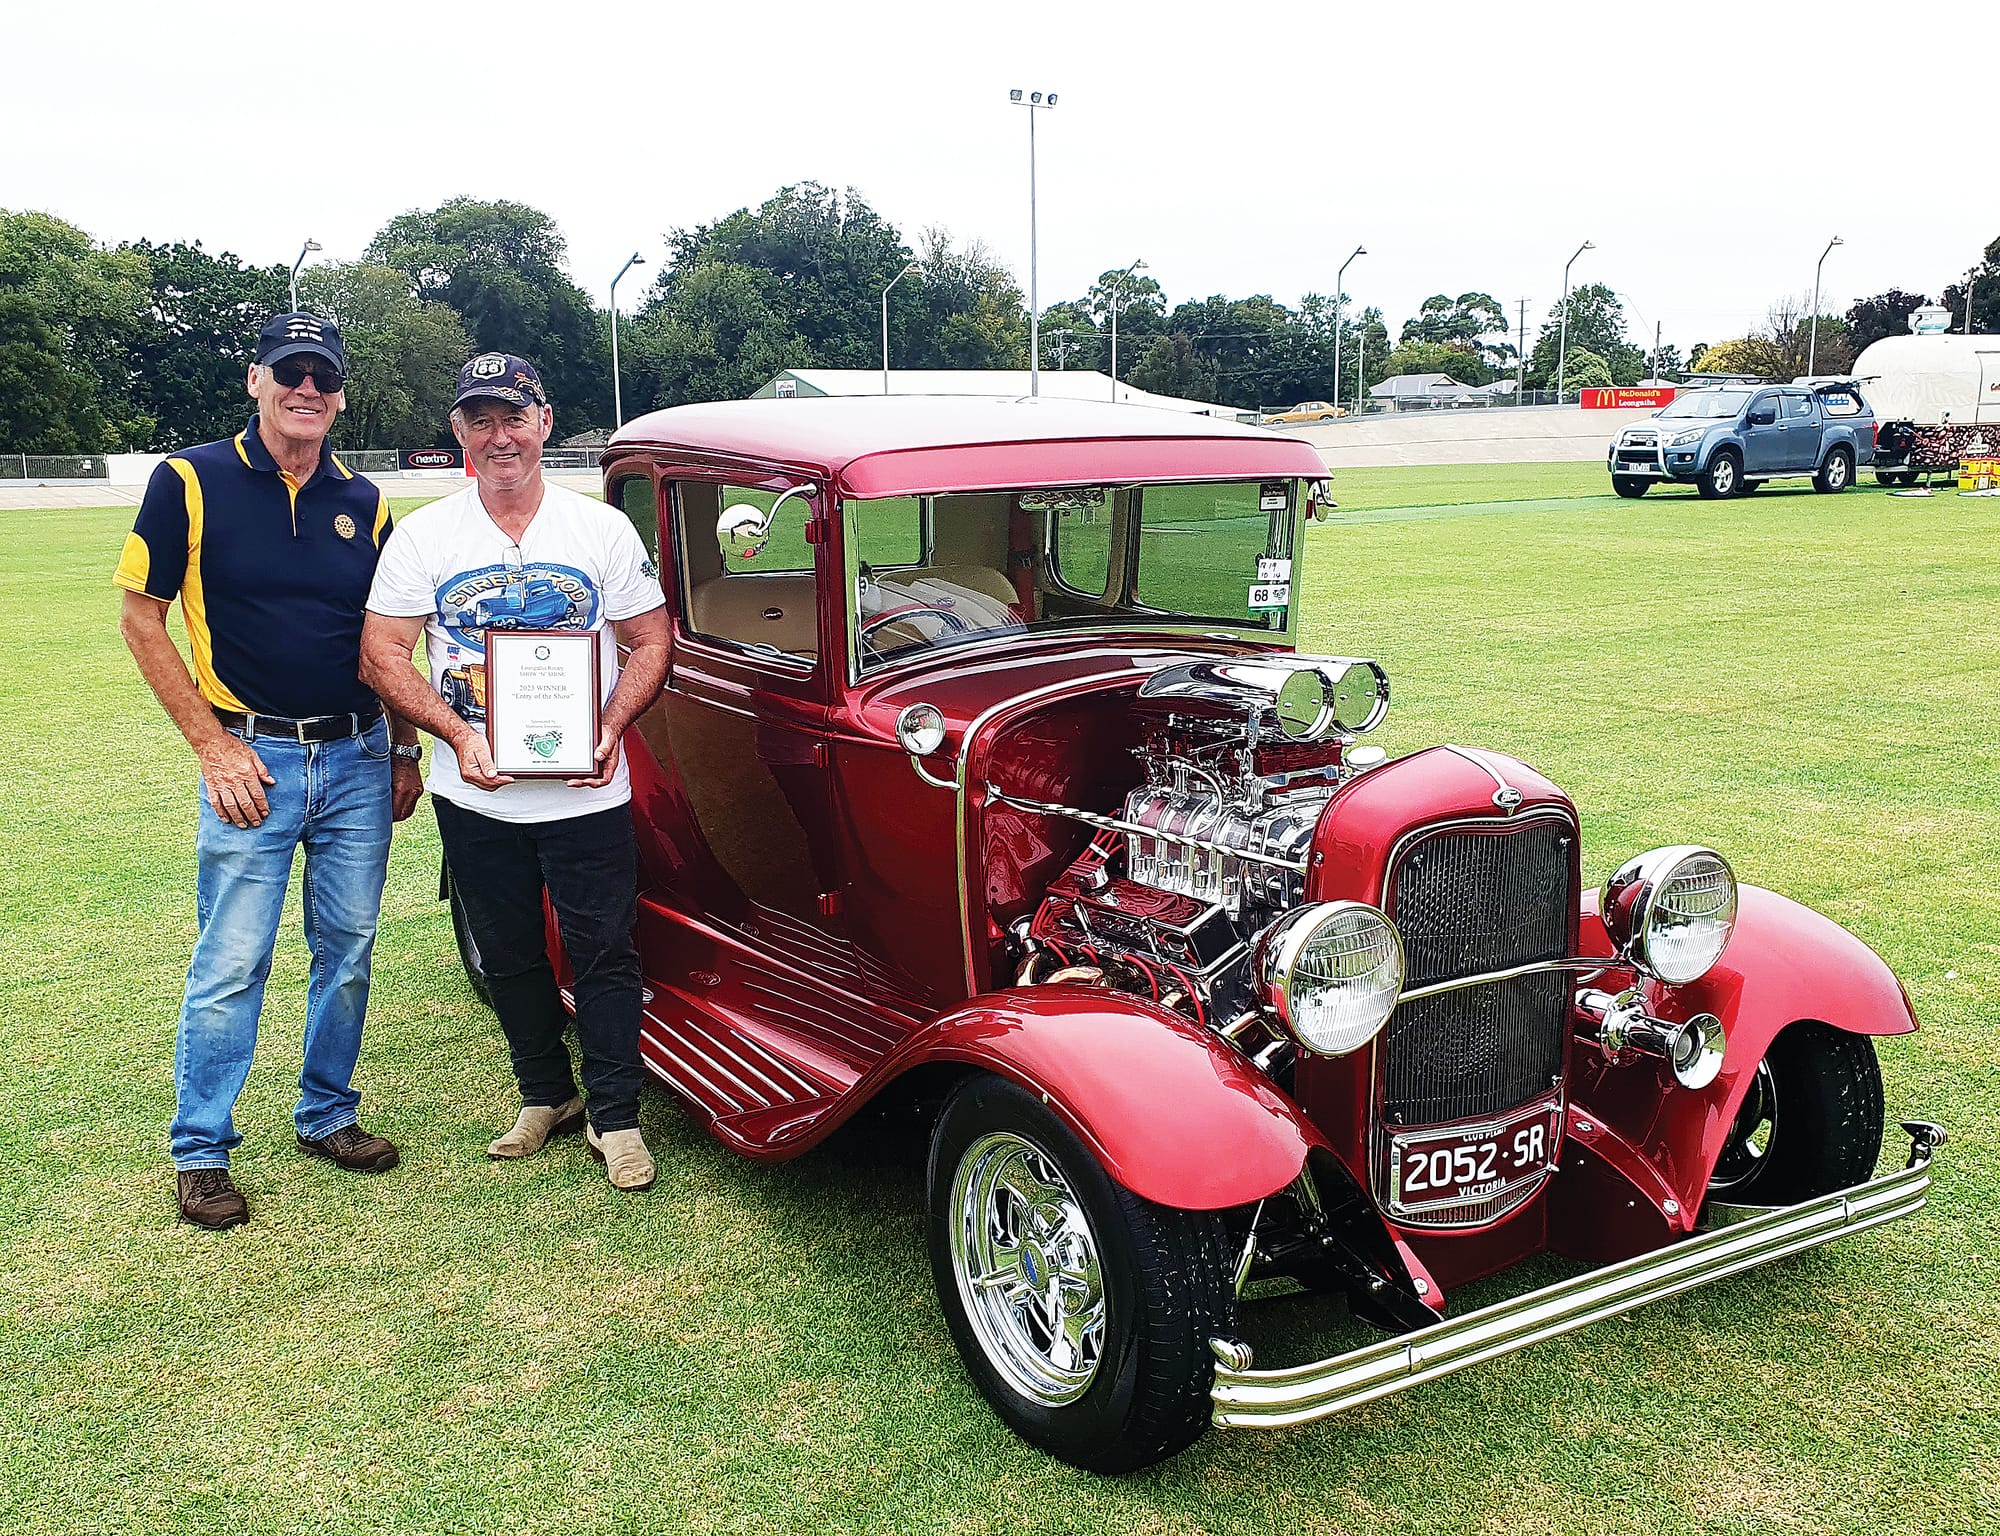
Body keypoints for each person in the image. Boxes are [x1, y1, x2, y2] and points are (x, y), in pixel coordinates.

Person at [116, 312, 425, 1232]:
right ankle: (201, 1150)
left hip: (359, 756)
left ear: (340, 395)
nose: (307, 390)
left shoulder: (365, 501)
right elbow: (140, 619)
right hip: (253, 759)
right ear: (255, 379)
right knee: (233, 960)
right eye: (290, 372)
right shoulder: (189, 479)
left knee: (349, 951)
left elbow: (387, 641)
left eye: (323, 376)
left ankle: (326, 1113)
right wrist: (213, 746)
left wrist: (404, 748)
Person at [360, 353, 669, 1192]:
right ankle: (546, 1095)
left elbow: (651, 641)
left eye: (515, 417)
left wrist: (610, 726)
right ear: (459, 432)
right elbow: (382, 653)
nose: (500, 437)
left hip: (585, 791)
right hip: (476, 793)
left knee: (604, 954)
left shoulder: (599, 529)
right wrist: (456, 735)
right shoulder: (426, 534)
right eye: (481, 420)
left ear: (544, 422)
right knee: (506, 953)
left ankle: (615, 1116)